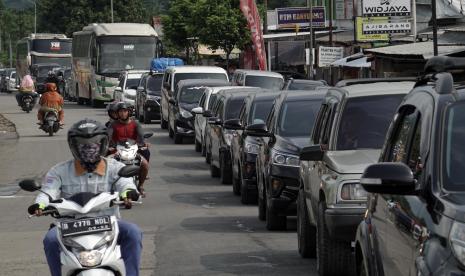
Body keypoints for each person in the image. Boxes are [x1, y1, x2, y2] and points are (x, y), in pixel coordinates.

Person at [27, 119, 142, 276]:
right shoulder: (58, 171)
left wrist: (128, 192)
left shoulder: (115, 167)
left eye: (94, 144)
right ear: (73, 146)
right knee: (50, 240)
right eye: (83, 144)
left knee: (133, 233)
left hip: (107, 223)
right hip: (69, 226)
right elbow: (47, 191)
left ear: (103, 144)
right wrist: (40, 205)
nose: (89, 149)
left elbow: (125, 182)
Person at [108, 102, 150, 196]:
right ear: (117, 113)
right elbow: (107, 137)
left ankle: (141, 186)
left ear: (129, 112)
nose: (123, 113)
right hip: (117, 152)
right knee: (105, 163)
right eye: (120, 111)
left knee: (145, 164)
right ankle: (107, 186)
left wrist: (143, 143)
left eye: (125, 111)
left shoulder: (135, 124)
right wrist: (107, 145)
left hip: (133, 151)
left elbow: (141, 137)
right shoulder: (113, 125)